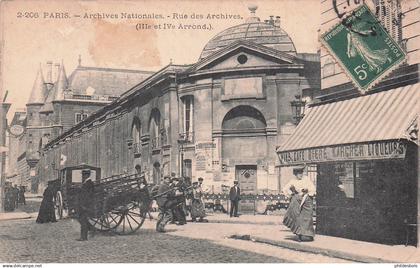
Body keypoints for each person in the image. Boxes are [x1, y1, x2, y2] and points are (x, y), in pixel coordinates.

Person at [282, 166, 316, 242]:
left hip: (307, 200)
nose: (300, 175)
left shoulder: (306, 179)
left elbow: (313, 188)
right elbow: (285, 189)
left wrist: (307, 190)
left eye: (301, 173)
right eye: (298, 173)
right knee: (298, 218)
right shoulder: (292, 181)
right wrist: (291, 194)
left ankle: (309, 234)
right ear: (295, 174)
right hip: (297, 201)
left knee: (308, 217)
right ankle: (299, 234)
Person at [77, 170, 95, 241]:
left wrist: (85, 206)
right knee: (82, 220)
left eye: (83, 175)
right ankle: (91, 229)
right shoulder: (86, 183)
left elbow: (89, 196)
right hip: (83, 205)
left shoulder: (89, 183)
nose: (82, 176)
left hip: (85, 205)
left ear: (87, 175)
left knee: (83, 220)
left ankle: (84, 237)